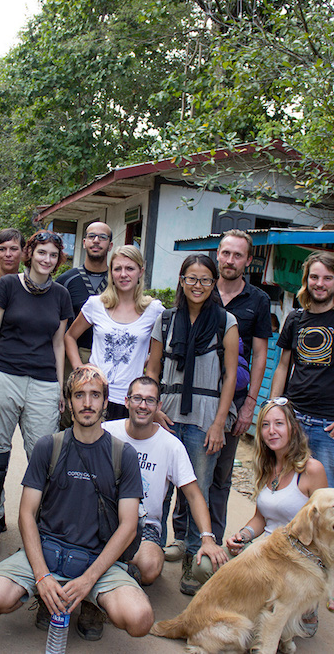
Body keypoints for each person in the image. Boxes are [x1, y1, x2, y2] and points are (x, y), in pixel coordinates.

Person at [0, 365, 153, 641]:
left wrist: (88, 580)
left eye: (95, 395)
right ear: (69, 402)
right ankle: (47, 595)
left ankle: (91, 603)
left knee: (140, 620)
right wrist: (42, 576)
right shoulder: (49, 447)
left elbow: (128, 526)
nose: (88, 403)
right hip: (47, 552)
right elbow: (26, 514)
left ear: (106, 402)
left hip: (97, 560)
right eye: (79, 395)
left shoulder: (122, 455)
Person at [270, 250, 334, 613]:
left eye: (327, 278)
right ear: (306, 281)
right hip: (294, 422)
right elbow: (283, 365)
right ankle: (285, 567)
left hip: (331, 428)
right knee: (287, 496)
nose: (319, 284)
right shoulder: (295, 319)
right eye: (314, 277)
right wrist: (275, 411)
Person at [0, 230, 73, 555]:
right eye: (41, 252)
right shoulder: (7, 286)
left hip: (45, 382)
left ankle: (40, 525)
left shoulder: (60, 294)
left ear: (59, 260)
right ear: (29, 253)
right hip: (4, 374)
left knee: (44, 456)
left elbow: (58, 342)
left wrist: (60, 387)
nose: (47, 259)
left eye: (53, 255)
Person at [147, 254, 238, 595]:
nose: (197, 286)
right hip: (167, 413)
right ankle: (151, 549)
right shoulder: (166, 320)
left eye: (205, 280)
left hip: (203, 418)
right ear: (181, 280)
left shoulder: (225, 322)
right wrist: (153, 409)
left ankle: (192, 560)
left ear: (214, 284)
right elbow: (153, 367)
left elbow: (229, 377)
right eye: (191, 278)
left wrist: (219, 423)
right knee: (159, 488)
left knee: (196, 489)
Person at [103, 376, 228, 586]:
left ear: (159, 406)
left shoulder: (171, 445)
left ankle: (110, 568)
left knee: (150, 567)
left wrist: (207, 538)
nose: (143, 406)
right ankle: (116, 572)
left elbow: (194, 495)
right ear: (126, 401)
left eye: (150, 400)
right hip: (105, 517)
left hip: (144, 525)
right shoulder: (107, 432)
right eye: (137, 399)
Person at [221, 396, 327, 634]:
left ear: (293, 427)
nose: (272, 431)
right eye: (265, 425)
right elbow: (260, 519)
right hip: (263, 549)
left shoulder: (312, 470)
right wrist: (243, 535)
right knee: (206, 566)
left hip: (296, 558)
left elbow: (323, 528)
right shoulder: (266, 467)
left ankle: (303, 609)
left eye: (279, 423)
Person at [207, 230, 273, 545]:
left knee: (220, 477)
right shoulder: (202, 288)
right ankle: (183, 538)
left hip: (233, 402)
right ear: (217, 254)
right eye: (225, 253)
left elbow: (260, 355)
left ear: (248, 260)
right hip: (197, 396)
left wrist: (250, 406)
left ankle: (213, 543)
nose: (230, 260)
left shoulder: (258, 300)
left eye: (237, 255)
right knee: (186, 471)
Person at [65, 245, 163, 420]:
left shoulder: (153, 309)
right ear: (111, 272)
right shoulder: (96, 304)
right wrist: (80, 368)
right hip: (95, 395)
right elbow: (70, 337)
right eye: (118, 269)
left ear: (140, 272)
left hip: (131, 399)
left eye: (130, 268)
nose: (123, 274)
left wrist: (144, 360)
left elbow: (160, 352)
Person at [55, 221, 113, 360]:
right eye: (92, 236)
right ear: (84, 242)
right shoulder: (66, 280)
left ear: (110, 245)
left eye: (102, 237)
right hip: (72, 355)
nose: (96, 241)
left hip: (110, 356)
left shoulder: (118, 281)